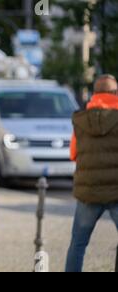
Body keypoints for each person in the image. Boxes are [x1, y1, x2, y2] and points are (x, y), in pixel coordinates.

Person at [66, 74, 118, 272]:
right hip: (117, 191)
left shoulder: (80, 120)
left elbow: (73, 153)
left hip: (88, 194)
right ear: (115, 93)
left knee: (78, 245)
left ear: (95, 94)